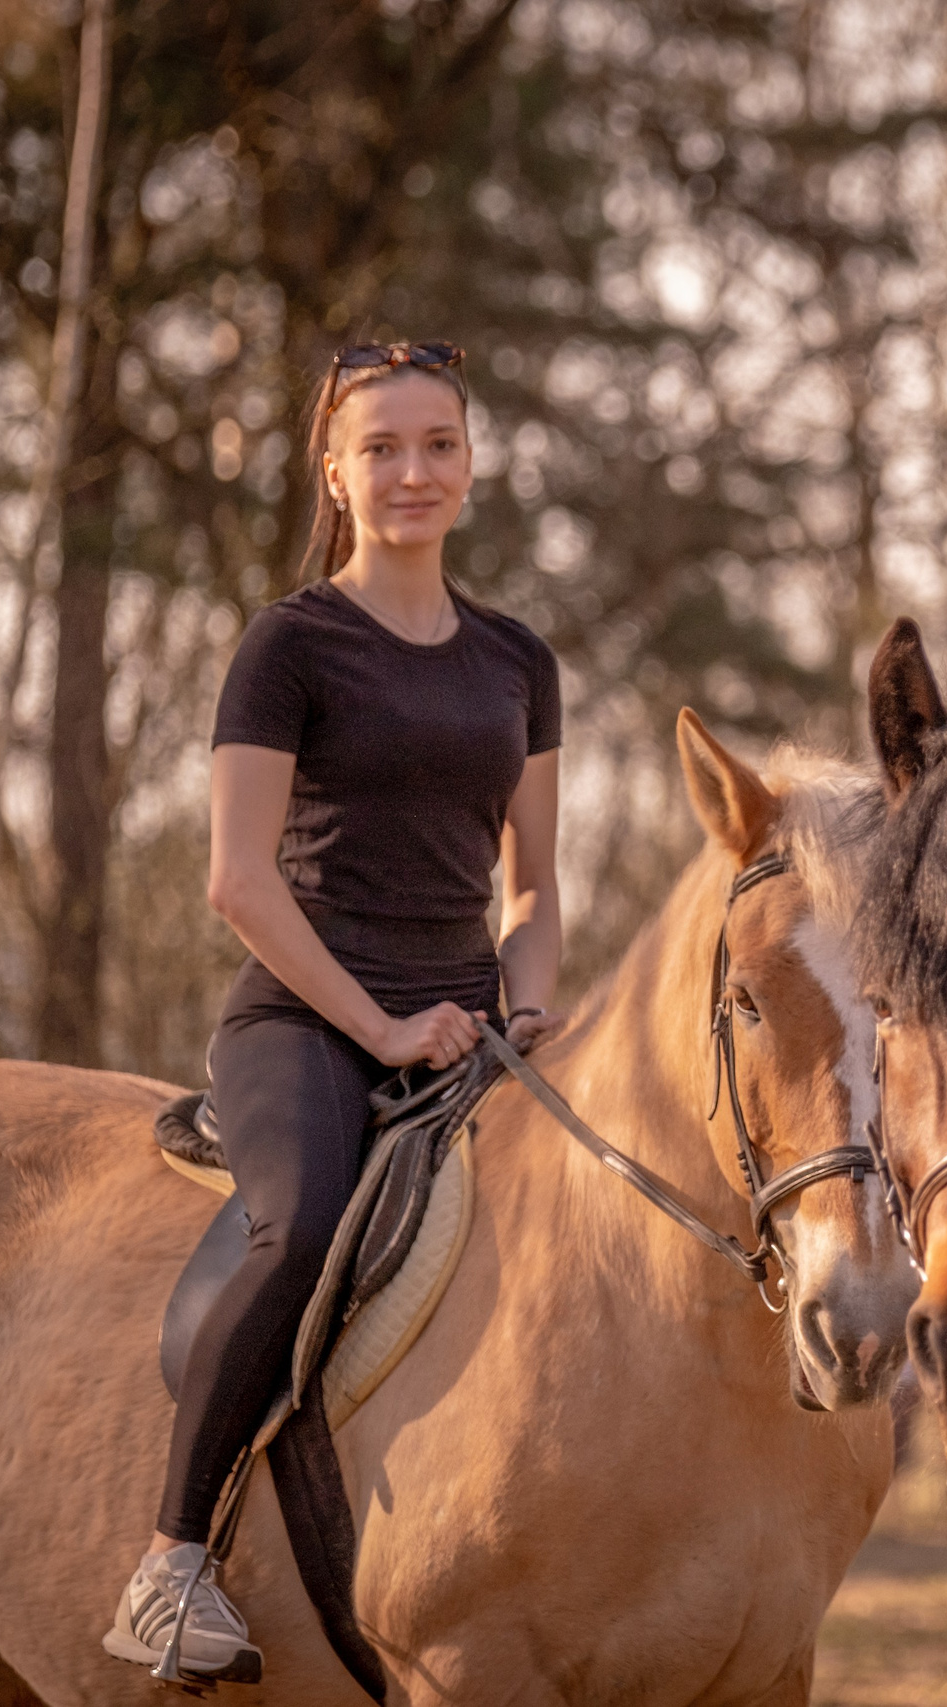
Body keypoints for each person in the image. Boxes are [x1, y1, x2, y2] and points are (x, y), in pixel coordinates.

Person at [104, 339, 566, 1679]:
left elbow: (533, 891)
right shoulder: (290, 644)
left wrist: (527, 1015)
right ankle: (170, 1561)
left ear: (471, 466)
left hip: (472, 1028)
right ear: (335, 472)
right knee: (299, 1218)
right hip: (306, 1023)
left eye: (438, 445)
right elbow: (239, 882)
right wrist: (381, 1031)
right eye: (382, 448)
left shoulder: (520, 663)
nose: (412, 471)